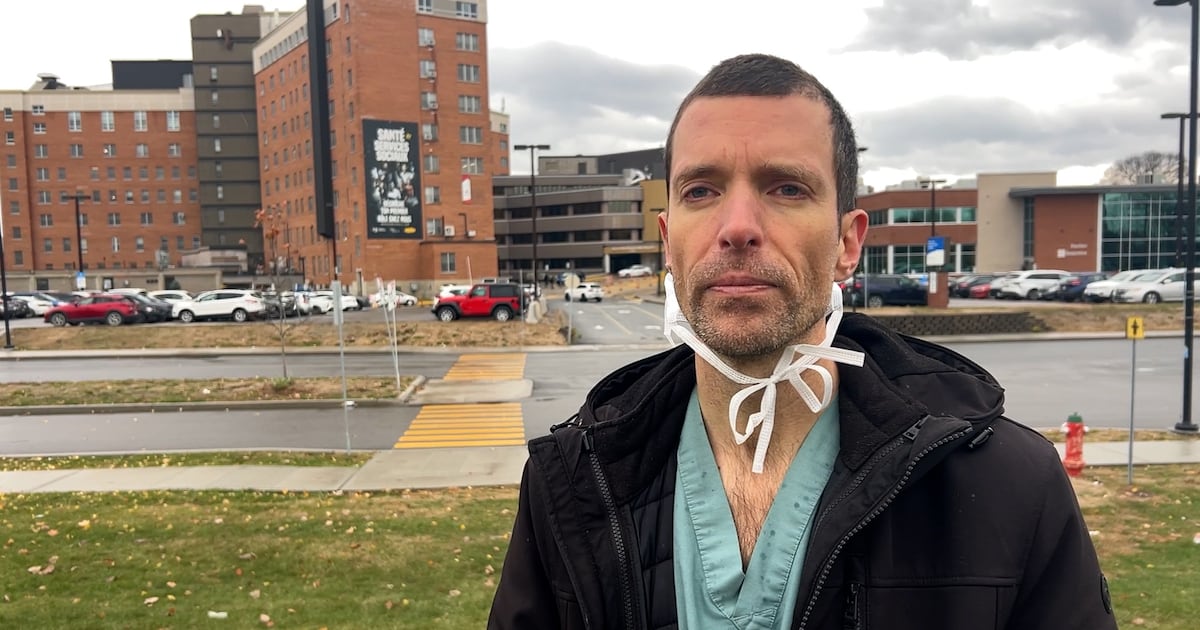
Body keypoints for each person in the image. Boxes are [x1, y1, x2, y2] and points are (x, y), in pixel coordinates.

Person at [488, 54, 1116, 630]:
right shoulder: (572, 482)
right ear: (667, 240)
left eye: (786, 188)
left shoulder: (1012, 489)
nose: (737, 227)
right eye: (701, 191)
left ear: (848, 243)